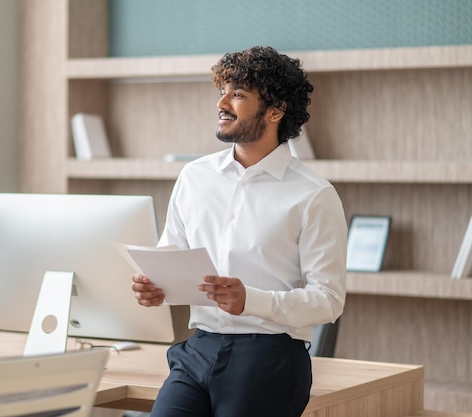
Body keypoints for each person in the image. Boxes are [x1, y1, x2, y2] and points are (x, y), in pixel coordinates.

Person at [131, 46, 347, 417]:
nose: (223, 103)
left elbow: (328, 300)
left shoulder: (313, 195)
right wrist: (156, 287)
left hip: (269, 356)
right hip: (197, 348)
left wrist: (252, 300)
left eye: (238, 95)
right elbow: (173, 253)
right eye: (222, 91)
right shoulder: (194, 177)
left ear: (276, 111)